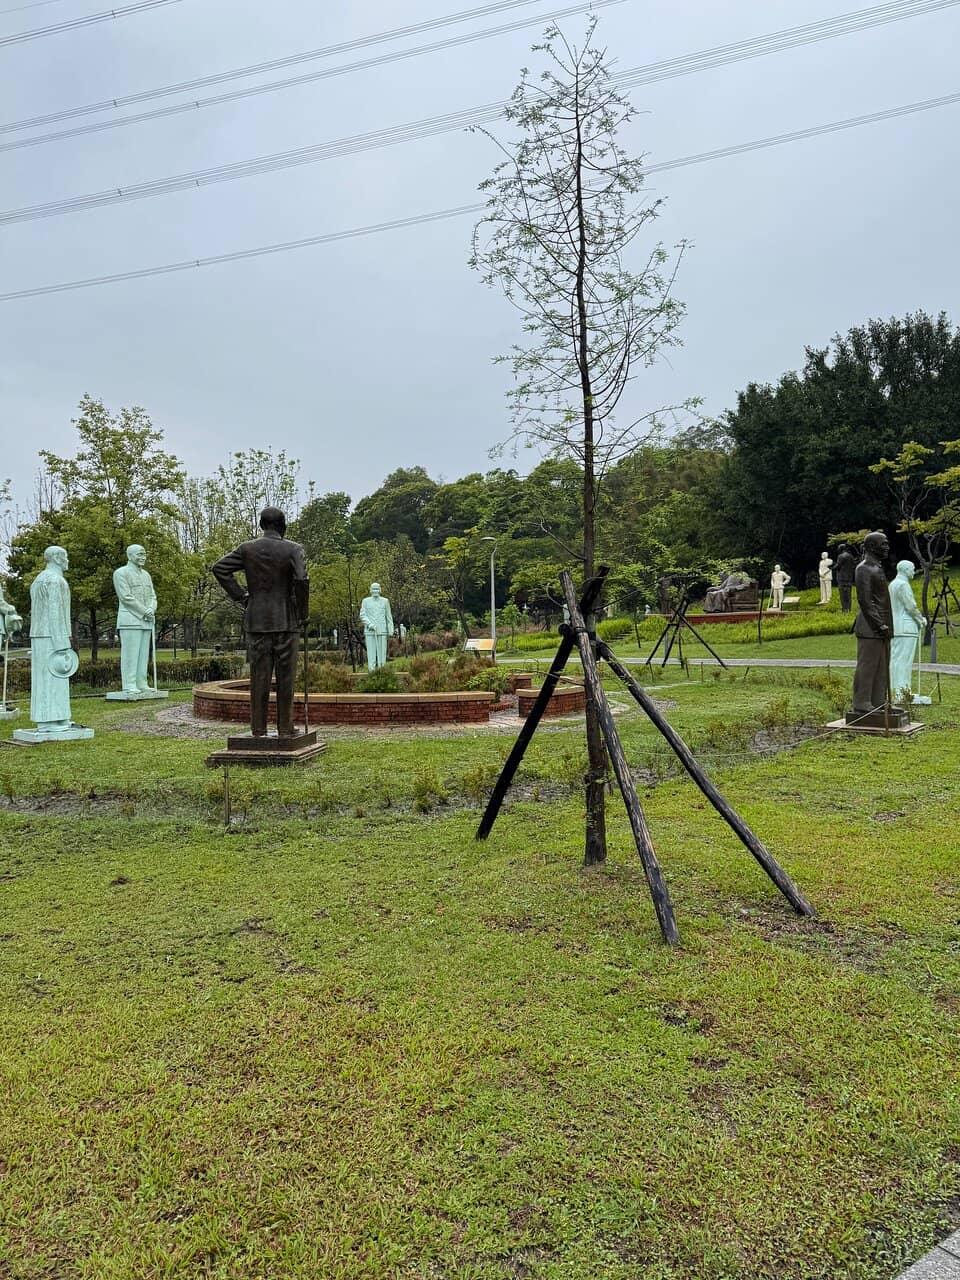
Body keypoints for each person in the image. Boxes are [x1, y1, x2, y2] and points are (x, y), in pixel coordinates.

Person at [212, 507, 308, 738]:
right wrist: (303, 613)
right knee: (286, 677)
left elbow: (220, 568)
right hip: (286, 620)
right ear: (283, 524)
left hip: (256, 620)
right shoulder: (293, 549)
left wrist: (242, 596)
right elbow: (302, 580)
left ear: (261, 524)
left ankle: (258, 728)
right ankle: (285, 727)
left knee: (259, 678)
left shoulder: (247, 549)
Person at [26, 546, 78, 731]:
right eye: (65, 556)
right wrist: (62, 642)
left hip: (44, 634)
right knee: (51, 677)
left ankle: (58, 717)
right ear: (56, 558)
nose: (67, 560)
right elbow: (54, 612)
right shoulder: (54, 580)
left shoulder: (41, 578)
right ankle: (48, 721)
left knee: (52, 679)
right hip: (50, 635)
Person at [850, 531, 900, 717]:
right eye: (883, 544)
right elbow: (865, 601)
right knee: (868, 665)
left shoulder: (876, 567)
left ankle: (879, 702)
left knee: (881, 667)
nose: (887, 547)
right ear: (871, 547)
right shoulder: (863, 568)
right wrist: (879, 625)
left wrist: (886, 626)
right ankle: (862, 702)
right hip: (871, 627)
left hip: (882, 627)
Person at [113, 544, 157, 695]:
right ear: (130, 555)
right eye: (139, 554)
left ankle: (141, 682)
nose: (143, 557)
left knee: (143, 654)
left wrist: (152, 608)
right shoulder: (120, 573)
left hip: (146, 620)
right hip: (130, 620)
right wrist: (145, 611)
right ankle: (129, 684)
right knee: (130, 655)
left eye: (144, 554)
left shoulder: (146, 575)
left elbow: (152, 595)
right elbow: (126, 597)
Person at [889, 559, 929, 705]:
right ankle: (901, 693)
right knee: (903, 662)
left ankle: (898, 691)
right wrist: (920, 619)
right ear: (905, 570)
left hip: (897, 627)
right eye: (912, 568)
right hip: (906, 628)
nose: (914, 571)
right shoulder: (903, 584)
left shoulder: (893, 584)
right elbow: (910, 606)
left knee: (897, 660)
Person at [359, 582, 394, 671]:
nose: (375, 591)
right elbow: (362, 615)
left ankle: (382, 670)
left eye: (377, 589)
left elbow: (388, 616)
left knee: (382, 654)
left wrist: (390, 629)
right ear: (370, 590)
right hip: (370, 631)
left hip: (382, 631)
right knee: (371, 653)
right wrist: (369, 624)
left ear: (380, 590)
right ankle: (372, 672)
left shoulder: (385, 601)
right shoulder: (365, 601)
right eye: (373, 589)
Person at [835, 543, 857, 613]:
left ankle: (844, 609)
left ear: (841, 548)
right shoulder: (850, 556)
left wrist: (832, 567)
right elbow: (853, 566)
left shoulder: (840, 556)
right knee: (848, 593)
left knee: (842, 594)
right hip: (849, 577)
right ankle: (849, 608)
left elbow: (838, 566)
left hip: (842, 578)